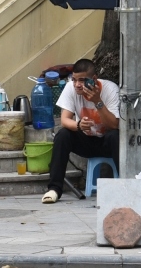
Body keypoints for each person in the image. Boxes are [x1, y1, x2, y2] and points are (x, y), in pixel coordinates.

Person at [42, 59, 121, 204]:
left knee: (115, 136)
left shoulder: (111, 89)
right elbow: (65, 120)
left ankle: (126, 185)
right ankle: (54, 189)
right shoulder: (70, 88)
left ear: (94, 79)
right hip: (86, 141)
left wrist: (98, 101)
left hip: (107, 142)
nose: (78, 84)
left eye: (83, 80)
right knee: (62, 135)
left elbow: (114, 124)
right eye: (74, 80)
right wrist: (78, 125)